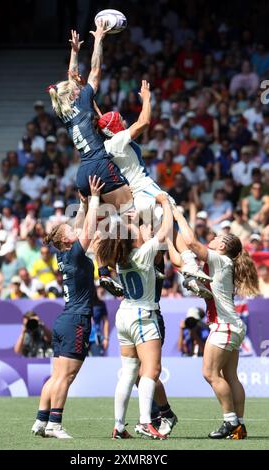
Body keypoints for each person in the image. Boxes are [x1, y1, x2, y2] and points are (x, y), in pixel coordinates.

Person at [97, 82, 212, 297]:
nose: (124, 120)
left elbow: (103, 121)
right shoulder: (118, 140)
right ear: (113, 127)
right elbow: (144, 122)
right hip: (145, 189)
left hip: (135, 198)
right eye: (120, 118)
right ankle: (189, 267)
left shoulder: (107, 144)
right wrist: (147, 99)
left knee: (163, 235)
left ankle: (180, 272)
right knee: (175, 221)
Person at [168, 203, 259, 439]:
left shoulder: (221, 260)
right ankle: (239, 425)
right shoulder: (219, 263)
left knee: (210, 373)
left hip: (224, 326)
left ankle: (230, 423)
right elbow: (181, 256)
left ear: (223, 246)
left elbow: (191, 244)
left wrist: (176, 212)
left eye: (219, 237)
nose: (214, 237)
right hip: (232, 325)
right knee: (230, 377)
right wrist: (168, 233)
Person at [31, 175, 104, 439]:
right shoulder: (74, 252)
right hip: (76, 319)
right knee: (66, 377)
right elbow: (89, 227)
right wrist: (94, 198)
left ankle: (40, 420)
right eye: (69, 231)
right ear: (65, 241)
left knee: (57, 375)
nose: (74, 229)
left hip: (65, 319)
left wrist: (82, 205)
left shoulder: (64, 254)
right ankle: (54, 425)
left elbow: (81, 224)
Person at [96, 193, 172, 440]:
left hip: (124, 313)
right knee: (151, 370)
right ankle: (145, 422)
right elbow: (166, 230)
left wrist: (136, 224)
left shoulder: (121, 257)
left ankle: (118, 426)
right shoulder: (144, 253)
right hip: (143, 314)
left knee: (128, 372)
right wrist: (166, 205)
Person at [47, 27, 132, 210]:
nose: (78, 86)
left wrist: (74, 52)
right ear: (72, 96)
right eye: (75, 89)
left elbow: (71, 77)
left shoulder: (63, 111)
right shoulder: (83, 102)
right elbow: (95, 71)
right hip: (100, 165)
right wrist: (99, 40)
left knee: (105, 224)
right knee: (131, 212)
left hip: (83, 173)